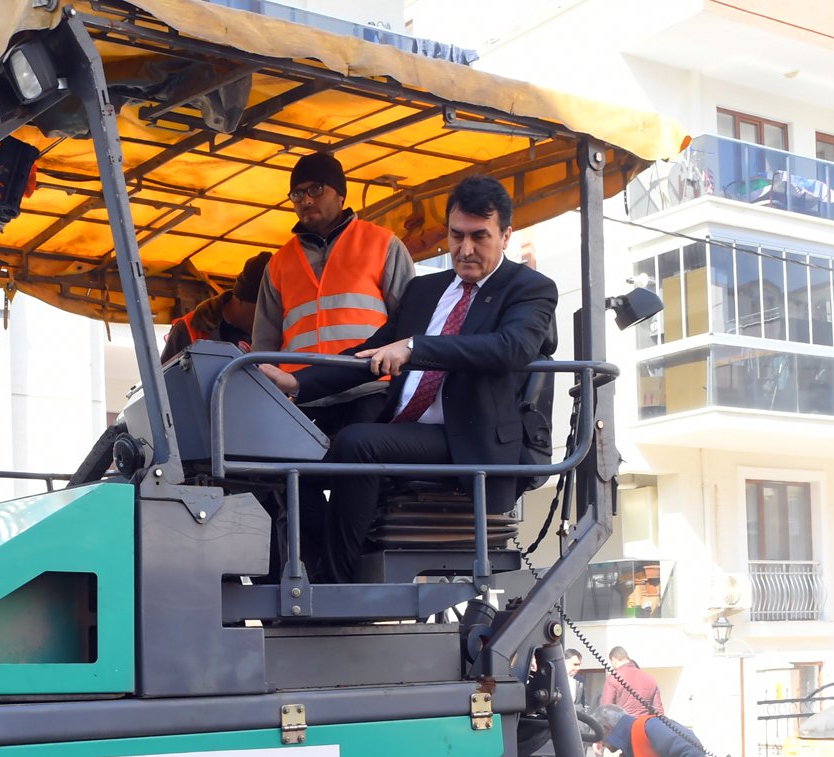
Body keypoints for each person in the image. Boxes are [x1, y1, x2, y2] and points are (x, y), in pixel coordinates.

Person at [260, 174, 556, 583]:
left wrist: (417, 347)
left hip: (468, 438)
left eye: (479, 237)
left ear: (506, 236)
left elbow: (510, 347)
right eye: (456, 236)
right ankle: (310, 570)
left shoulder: (529, 288)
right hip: (406, 430)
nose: (465, 250)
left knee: (357, 442)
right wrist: (299, 384)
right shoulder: (424, 289)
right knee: (285, 463)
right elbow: (371, 351)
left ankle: (338, 582)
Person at [253, 150, 416, 431]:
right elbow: (264, 342)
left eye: (316, 189)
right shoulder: (278, 263)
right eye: (297, 193)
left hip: (368, 391)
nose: (305, 200)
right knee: (305, 475)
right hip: (301, 398)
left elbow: (411, 324)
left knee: (359, 472)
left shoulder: (383, 244)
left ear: (340, 194)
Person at [161, 252, 271, 361]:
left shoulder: (272, 333)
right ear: (244, 299)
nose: (269, 318)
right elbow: (164, 377)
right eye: (265, 310)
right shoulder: (190, 329)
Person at [594, 704, 714, 757]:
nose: (601, 743)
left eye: (599, 737)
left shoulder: (649, 727)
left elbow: (691, 750)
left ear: (606, 728)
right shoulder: (630, 746)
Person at [599, 646, 665, 716]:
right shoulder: (650, 679)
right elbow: (659, 711)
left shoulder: (613, 678)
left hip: (623, 725)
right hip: (644, 725)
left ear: (614, 660)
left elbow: (605, 710)